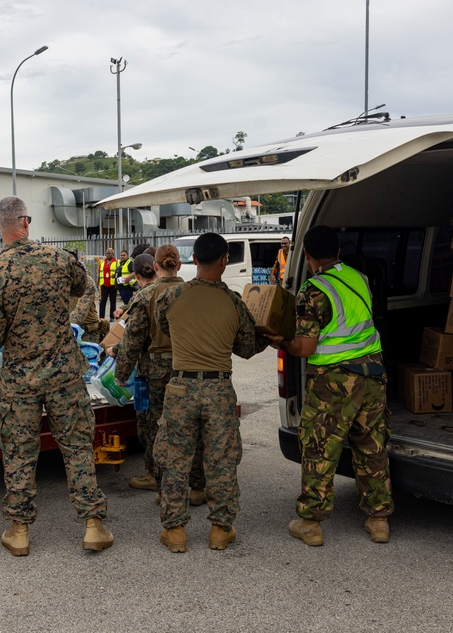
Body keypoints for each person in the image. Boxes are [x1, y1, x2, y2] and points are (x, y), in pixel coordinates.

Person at [0, 196, 113, 557]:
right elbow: (82, 289)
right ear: (27, 221)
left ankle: (19, 531)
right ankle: (93, 525)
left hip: (20, 377)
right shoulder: (60, 258)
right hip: (64, 371)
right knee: (78, 447)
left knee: (18, 452)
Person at [266, 225, 393, 546]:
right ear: (338, 251)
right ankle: (378, 519)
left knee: (320, 448)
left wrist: (280, 342)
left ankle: (311, 522)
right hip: (373, 374)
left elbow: (306, 348)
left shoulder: (313, 290)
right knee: (372, 445)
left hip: (334, 382)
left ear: (307, 255)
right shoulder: (358, 278)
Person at [153, 232, 268, 553]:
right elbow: (246, 348)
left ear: (193, 260)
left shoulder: (171, 297)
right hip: (218, 388)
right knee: (221, 459)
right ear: (224, 261)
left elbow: (164, 326)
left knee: (175, 460)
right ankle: (220, 529)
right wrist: (269, 337)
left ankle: (175, 531)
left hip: (179, 387)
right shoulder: (234, 301)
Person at [108, 248, 207, 504]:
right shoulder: (195, 291)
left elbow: (132, 340)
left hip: (156, 371)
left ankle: (160, 481)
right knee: (192, 426)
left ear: (155, 264)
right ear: (180, 264)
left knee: (159, 427)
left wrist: (120, 373)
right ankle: (197, 486)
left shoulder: (147, 296)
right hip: (191, 366)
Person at [66, 248, 109, 344]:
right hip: (70, 330)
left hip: (88, 332)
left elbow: (80, 312)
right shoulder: (62, 282)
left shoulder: (86, 281)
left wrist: (62, 327)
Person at [98, 248, 118, 319]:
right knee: (103, 301)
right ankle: (101, 317)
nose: (107, 255)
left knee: (113, 301)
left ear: (113, 254)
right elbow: (99, 273)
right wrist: (98, 284)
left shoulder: (117, 262)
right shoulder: (102, 262)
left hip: (112, 285)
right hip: (104, 285)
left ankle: (112, 317)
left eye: (109, 253)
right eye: (107, 253)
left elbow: (119, 273)